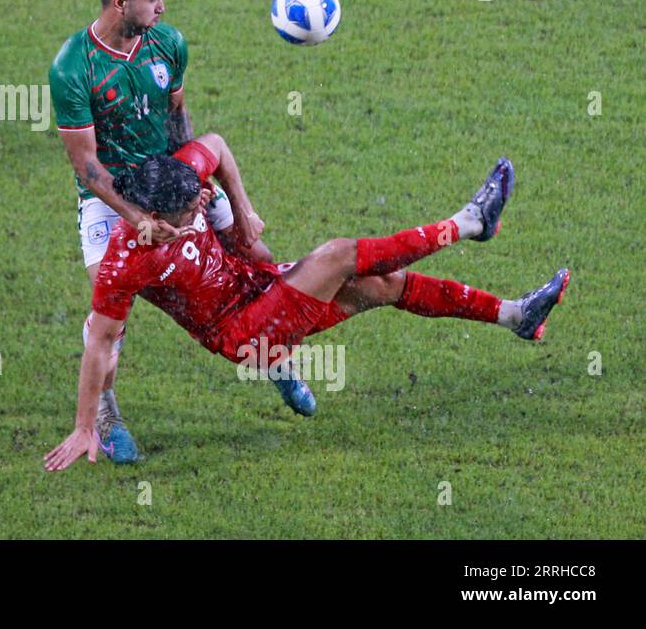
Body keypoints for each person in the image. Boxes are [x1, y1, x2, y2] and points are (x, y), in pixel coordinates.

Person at [45, 141, 569, 471]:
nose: (196, 212)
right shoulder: (123, 264)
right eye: (187, 213)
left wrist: (242, 211)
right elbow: (100, 341)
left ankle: (517, 316)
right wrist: (86, 424)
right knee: (340, 255)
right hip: (244, 334)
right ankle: (470, 223)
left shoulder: (181, 179)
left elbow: (217, 146)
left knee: (385, 283)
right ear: (153, 217)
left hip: (261, 285)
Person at [48, 0, 299, 464]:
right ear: (121, 1)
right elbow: (88, 168)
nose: (162, 7)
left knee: (252, 252)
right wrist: (137, 216)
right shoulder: (74, 67)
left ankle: (272, 353)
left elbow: (178, 120)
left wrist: (194, 184)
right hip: (112, 197)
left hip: (169, 180)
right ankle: (104, 413)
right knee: (109, 311)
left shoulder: (168, 43)